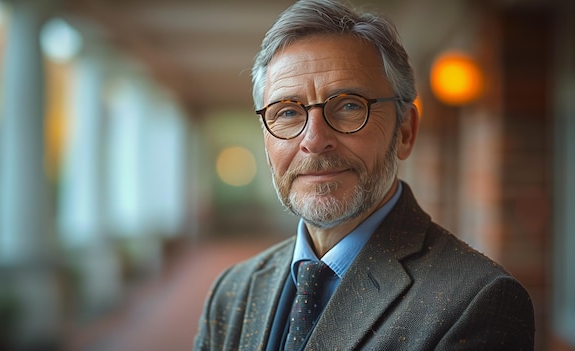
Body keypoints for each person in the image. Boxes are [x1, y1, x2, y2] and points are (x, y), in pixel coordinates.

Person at [194, 0, 535, 350]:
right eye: (287, 112)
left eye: (348, 106)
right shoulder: (232, 290)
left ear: (404, 132)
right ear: (266, 140)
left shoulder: (476, 302)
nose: (314, 140)